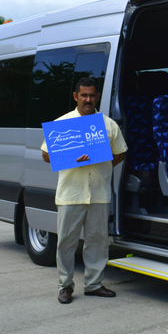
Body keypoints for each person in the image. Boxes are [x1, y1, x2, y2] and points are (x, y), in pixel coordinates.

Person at [41, 77, 127, 304]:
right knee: (66, 243)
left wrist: (100, 162)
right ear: (75, 97)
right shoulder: (62, 124)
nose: (88, 99)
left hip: (99, 193)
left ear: (97, 97)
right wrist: (72, 157)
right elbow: (46, 155)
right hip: (71, 193)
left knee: (97, 241)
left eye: (92, 95)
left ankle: (94, 284)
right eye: (84, 95)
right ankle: (65, 286)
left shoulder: (108, 125)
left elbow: (120, 154)